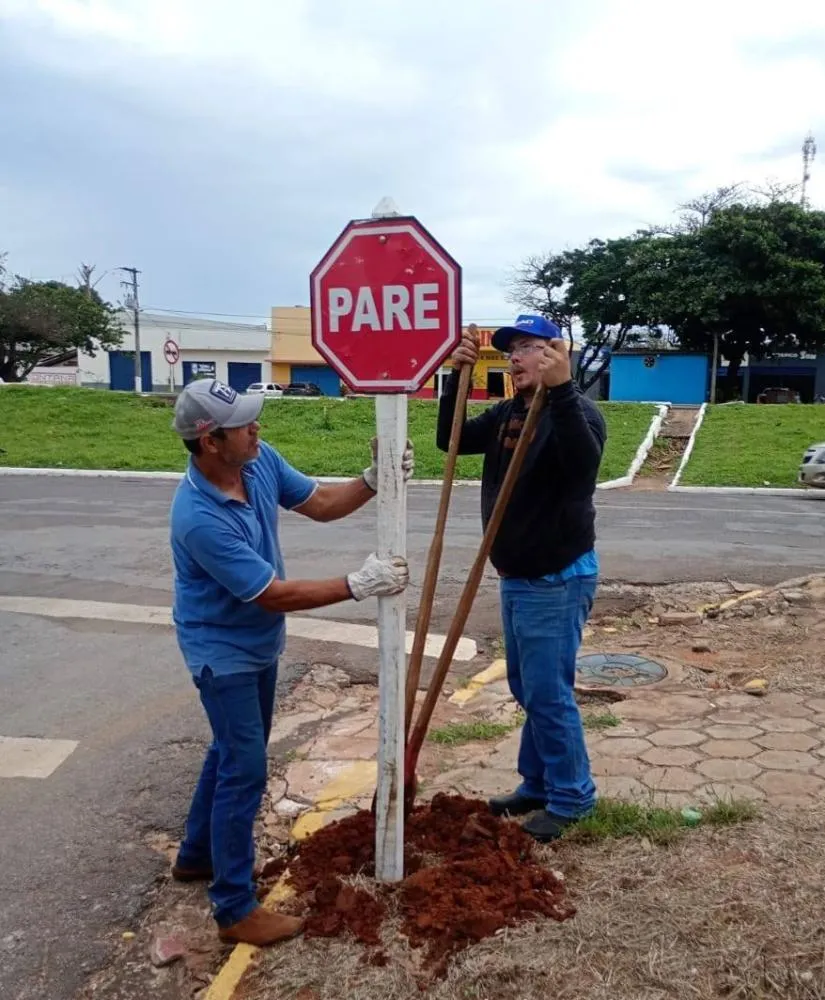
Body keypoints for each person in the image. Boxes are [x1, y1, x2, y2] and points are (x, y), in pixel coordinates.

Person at [168, 378, 412, 945]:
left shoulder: (257, 461)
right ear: (209, 442)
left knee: (230, 750)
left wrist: (374, 481)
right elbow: (271, 594)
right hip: (220, 652)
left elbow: (320, 504)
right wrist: (357, 585)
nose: (258, 429)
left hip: (257, 643)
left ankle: (195, 855)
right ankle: (233, 909)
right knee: (244, 770)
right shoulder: (199, 518)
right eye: (245, 425)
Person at [437, 316, 605, 842]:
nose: (516, 358)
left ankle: (573, 797)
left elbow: (582, 469)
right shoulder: (510, 411)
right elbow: (452, 439)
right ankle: (537, 782)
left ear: (556, 354)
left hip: (555, 578)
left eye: (530, 348)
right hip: (518, 575)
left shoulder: (576, 413)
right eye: (512, 350)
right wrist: (453, 379)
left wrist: (562, 392)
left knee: (547, 692)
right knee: (526, 686)